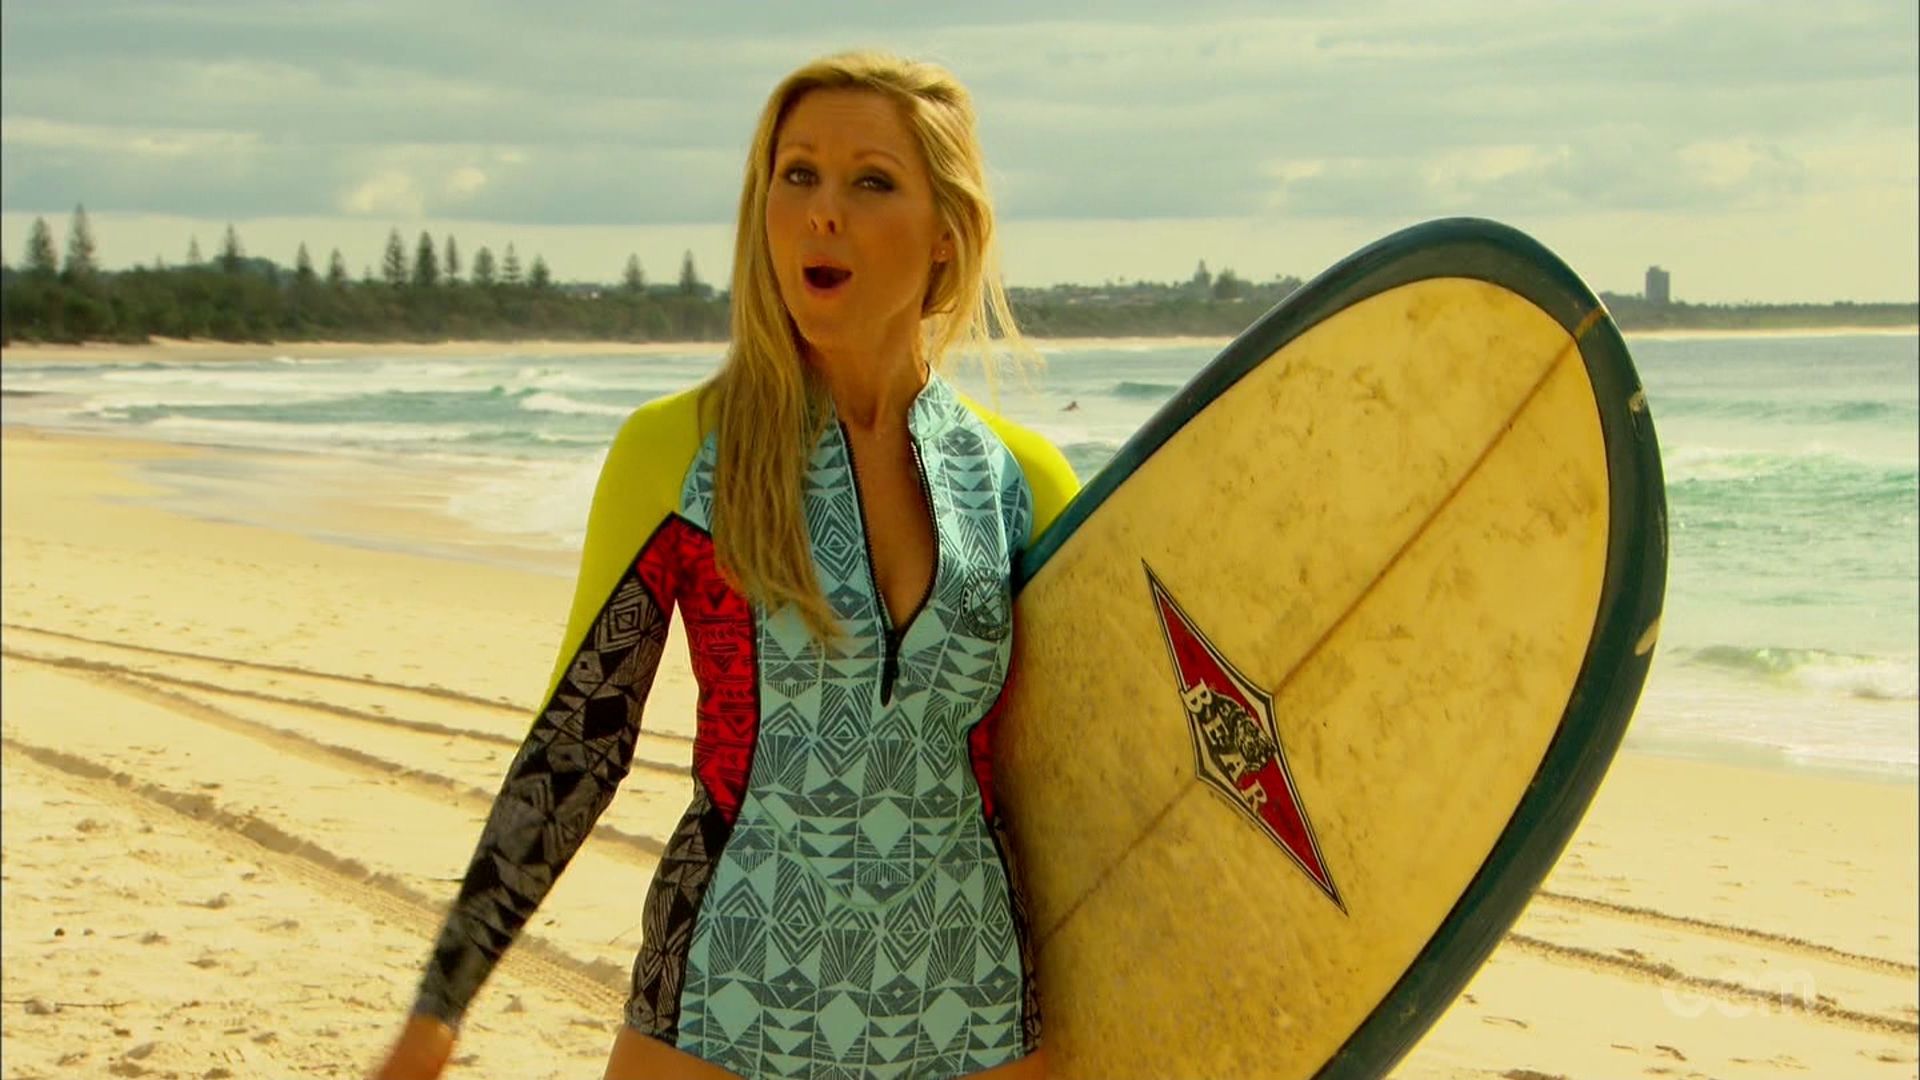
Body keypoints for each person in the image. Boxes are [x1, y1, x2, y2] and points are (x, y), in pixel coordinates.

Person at [373, 50, 1080, 1080]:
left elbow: (1106, 768)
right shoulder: (682, 455)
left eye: (870, 181)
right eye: (797, 174)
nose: (822, 212)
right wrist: (442, 1006)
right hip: (726, 998)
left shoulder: (1021, 482)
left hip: (970, 1008)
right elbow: (578, 746)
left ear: (947, 231)